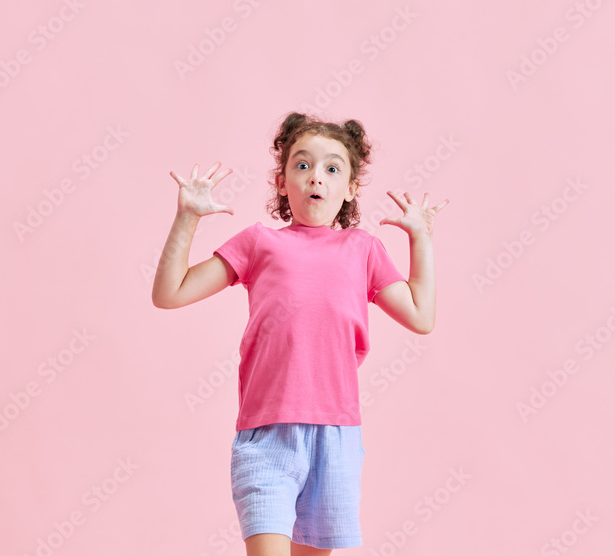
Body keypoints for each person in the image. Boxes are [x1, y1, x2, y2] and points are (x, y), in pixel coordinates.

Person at [152, 111, 448, 556]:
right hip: (267, 435)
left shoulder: (363, 250)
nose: (316, 177)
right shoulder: (258, 243)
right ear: (281, 180)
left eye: (333, 168)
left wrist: (420, 238)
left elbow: (422, 317)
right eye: (302, 164)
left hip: (335, 437)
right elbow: (169, 293)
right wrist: (187, 218)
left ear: (350, 189)